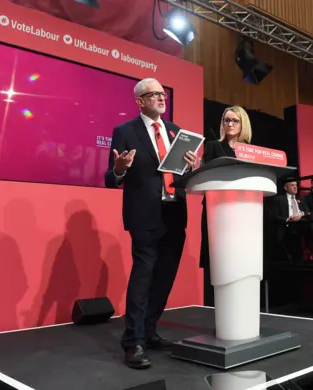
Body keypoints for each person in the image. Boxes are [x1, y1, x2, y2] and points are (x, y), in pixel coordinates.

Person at [104, 78, 197, 369]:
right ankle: (134, 342)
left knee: (164, 276)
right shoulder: (124, 132)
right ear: (140, 101)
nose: (161, 98)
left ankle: (149, 330)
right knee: (144, 275)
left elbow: (179, 176)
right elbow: (111, 178)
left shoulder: (176, 131)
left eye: (162, 94)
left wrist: (191, 166)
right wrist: (119, 170)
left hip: (174, 213)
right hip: (144, 215)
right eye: (153, 94)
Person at [199, 106, 252, 306]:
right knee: (218, 261)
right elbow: (207, 175)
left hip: (244, 211)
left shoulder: (250, 149)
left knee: (240, 261)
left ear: (243, 124)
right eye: (226, 120)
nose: (229, 124)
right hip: (218, 210)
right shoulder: (213, 146)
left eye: (234, 121)